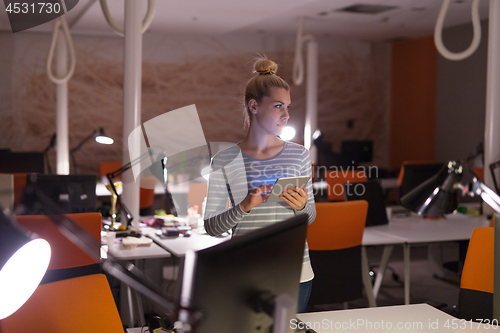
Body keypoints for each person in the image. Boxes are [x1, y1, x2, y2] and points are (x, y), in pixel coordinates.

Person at [204, 58, 316, 313]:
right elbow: (211, 227)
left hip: (295, 272)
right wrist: (243, 206)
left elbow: (311, 216)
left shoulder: (299, 155)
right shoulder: (224, 159)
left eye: (288, 107)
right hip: (243, 274)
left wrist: (301, 207)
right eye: (278, 106)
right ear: (254, 106)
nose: (286, 115)